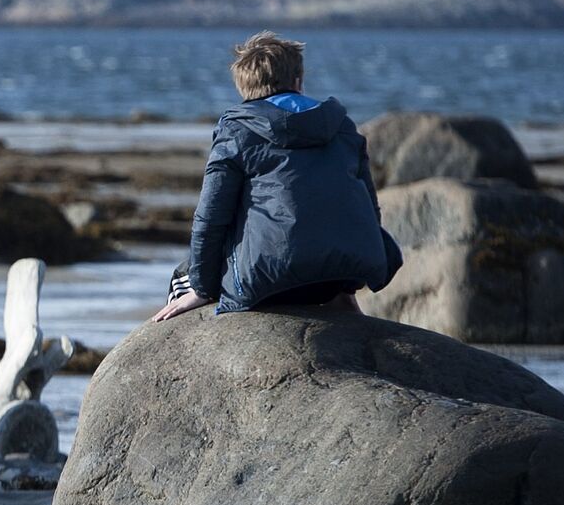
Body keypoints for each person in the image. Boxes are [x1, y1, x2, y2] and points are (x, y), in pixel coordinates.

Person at [151, 31, 402, 322]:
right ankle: (343, 300)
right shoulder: (342, 126)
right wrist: (347, 288)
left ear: (244, 89)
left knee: (182, 279)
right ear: (298, 81)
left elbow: (210, 218)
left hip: (272, 281)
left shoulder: (238, 130)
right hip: (343, 277)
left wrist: (203, 289)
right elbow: (368, 209)